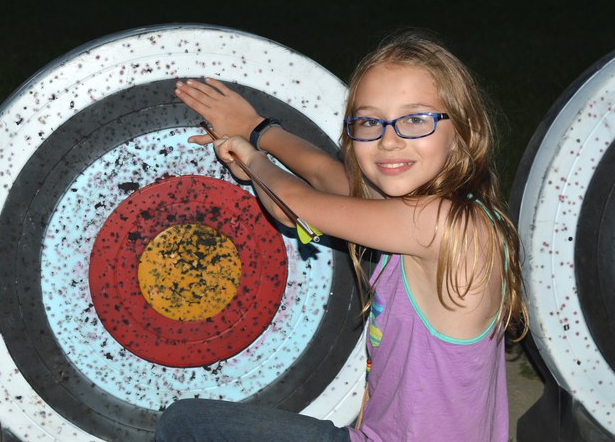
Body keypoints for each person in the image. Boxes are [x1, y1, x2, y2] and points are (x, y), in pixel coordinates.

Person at [155, 29, 528, 441]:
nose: (389, 140)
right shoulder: (436, 212)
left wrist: (254, 158)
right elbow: (317, 178)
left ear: (465, 130)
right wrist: (256, 131)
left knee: (185, 425)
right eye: (369, 122)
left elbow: (300, 203)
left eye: (416, 119)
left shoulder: (444, 224)